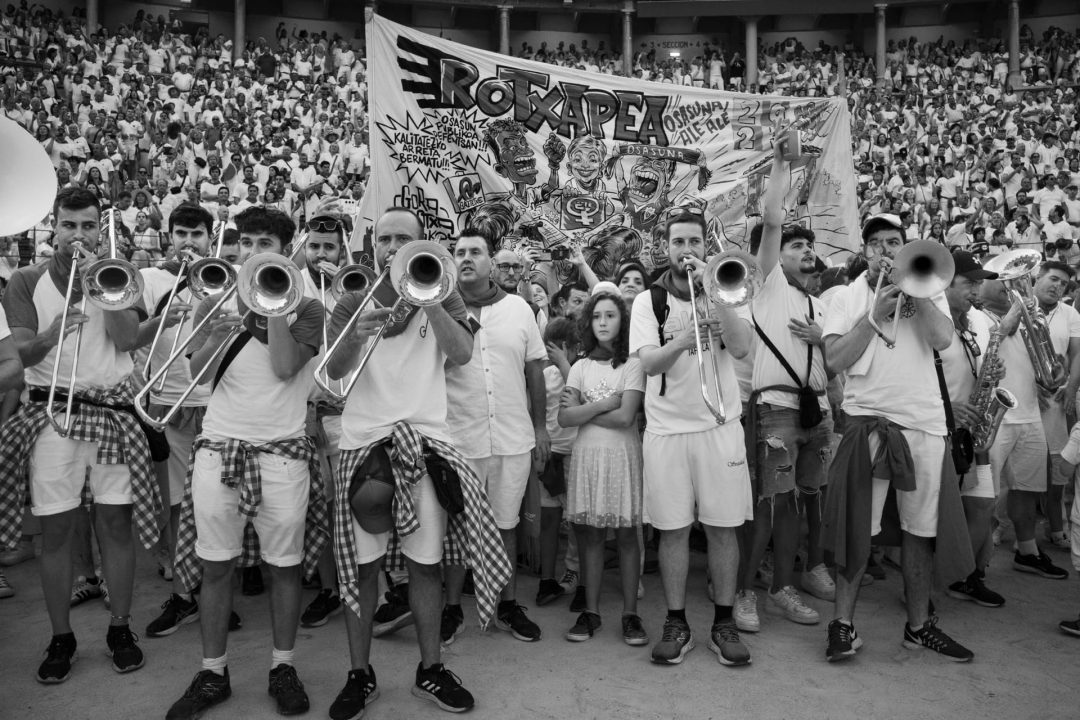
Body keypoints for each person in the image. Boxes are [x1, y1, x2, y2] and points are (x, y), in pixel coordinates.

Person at [324, 210, 511, 719]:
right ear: (372, 245)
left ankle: (430, 670)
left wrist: (427, 302)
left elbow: (463, 354)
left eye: (402, 238)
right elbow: (334, 375)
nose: (391, 246)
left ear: (420, 245)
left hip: (425, 446)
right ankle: (359, 675)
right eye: (383, 238)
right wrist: (356, 333)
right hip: (365, 446)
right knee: (360, 570)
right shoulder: (348, 300)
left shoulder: (444, 291)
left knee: (425, 567)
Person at [166, 206, 329, 718]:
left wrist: (272, 306)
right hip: (220, 447)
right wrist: (216, 326)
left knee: (285, 569)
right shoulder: (216, 299)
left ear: (285, 248)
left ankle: (283, 665)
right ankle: (213, 672)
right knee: (216, 568)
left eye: (266, 243)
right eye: (248, 242)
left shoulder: (309, 307)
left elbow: (284, 368)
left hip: (282, 453)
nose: (254, 252)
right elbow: (199, 375)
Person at [0, 188, 153, 683]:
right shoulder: (26, 280)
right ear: (55, 227)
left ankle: (120, 627)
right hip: (52, 416)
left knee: (115, 527)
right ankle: (61, 636)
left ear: (99, 229)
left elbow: (128, 340)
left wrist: (100, 283)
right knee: (57, 533)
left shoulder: (119, 275)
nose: (79, 236)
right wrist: (54, 332)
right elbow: (19, 357)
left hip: (109, 413)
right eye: (70, 226)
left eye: (89, 226)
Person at [821, 213, 974, 663]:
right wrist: (876, 313)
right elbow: (833, 359)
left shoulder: (932, 290)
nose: (885, 250)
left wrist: (918, 292)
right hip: (868, 421)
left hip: (924, 424)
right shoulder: (846, 296)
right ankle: (843, 625)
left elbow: (943, 339)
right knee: (856, 530)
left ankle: (919, 626)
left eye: (895, 242)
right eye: (876, 244)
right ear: (864, 251)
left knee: (921, 532)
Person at [628, 210, 754, 667]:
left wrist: (715, 298)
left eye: (694, 243)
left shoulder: (726, 286)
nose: (687, 251)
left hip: (719, 428)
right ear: (666, 247)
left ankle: (723, 622)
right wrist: (685, 339)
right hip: (667, 432)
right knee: (673, 530)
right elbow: (649, 364)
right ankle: (677, 621)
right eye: (678, 242)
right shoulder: (648, 301)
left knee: (723, 528)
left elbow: (741, 348)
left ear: (706, 247)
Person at [738, 149, 833, 638]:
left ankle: (781, 586)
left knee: (799, 502)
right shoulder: (767, 283)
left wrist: (823, 345)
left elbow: (830, 366)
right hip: (775, 409)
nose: (804, 251)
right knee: (771, 505)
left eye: (808, 247)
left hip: (815, 413)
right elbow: (772, 220)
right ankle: (745, 592)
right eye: (794, 246)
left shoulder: (814, 301)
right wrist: (782, 165)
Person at [442, 230, 549, 644]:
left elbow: (535, 369)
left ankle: (507, 606)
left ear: (491, 263)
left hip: (511, 435)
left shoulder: (519, 308)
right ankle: (453, 608)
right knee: (457, 527)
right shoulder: (437, 307)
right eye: (459, 252)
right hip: (457, 436)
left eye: (475, 252)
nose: (466, 258)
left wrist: (540, 428)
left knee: (506, 525)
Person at [137, 204, 223, 638]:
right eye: (181, 234)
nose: (188, 241)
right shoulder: (153, 279)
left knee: (215, 500)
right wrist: (162, 312)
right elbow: (133, 337)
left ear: (211, 237)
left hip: (215, 403)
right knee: (174, 498)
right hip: (166, 401)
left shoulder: (224, 274)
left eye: (196, 234)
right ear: (169, 237)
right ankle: (186, 587)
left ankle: (213, 587)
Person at [557, 290, 647, 645]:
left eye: (611, 316)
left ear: (622, 322)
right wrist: (605, 403)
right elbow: (565, 417)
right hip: (588, 459)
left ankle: (630, 615)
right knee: (590, 537)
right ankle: (590, 611)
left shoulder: (633, 364)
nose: (603, 322)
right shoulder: (579, 366)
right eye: (597, 317)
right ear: (588, 324)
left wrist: (588, 408)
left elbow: (627, 417)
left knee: (627, 538)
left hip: (622, 459)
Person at [981, 261, 1075, 580]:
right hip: (996, 417)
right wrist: (1015, 314)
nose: (1008, 287)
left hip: (1030, 413)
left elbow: (1039, 365)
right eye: (1001, 281)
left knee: (1027, 488)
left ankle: (1027, 550)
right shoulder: (978, 316)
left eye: (1012, 282)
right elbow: (990, 346)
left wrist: (1050, 374)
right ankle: (974, 560)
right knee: (985, 492)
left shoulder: (1027, 319)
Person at [937, 250, 1006, 608]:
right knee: (937, 515)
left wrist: (994, 373)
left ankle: (969, 576)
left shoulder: (978, 320)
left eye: (980, 282)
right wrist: (948, 408)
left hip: (973, 431)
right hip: (942, 431)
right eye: (970, 282)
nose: (977, 289)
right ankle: (935, 583)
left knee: (982, 507)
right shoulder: (931, 321)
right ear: (946, 283)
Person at [296, 202, 350, 629]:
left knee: (351, 506)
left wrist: (341, 297)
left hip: (345, 412)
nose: (320, 255)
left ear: (341, 251)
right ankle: (330, 588)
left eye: (329, 247)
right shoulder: (288, 284)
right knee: (320, 507)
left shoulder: (354, 286)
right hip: (303, 413)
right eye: (314, 246)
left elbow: (353, 342)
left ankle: (363, 585)